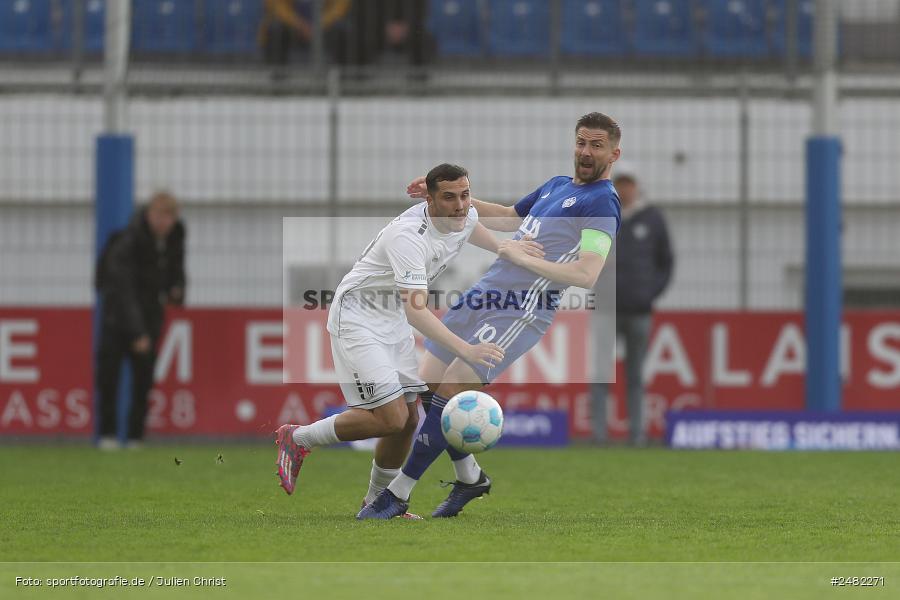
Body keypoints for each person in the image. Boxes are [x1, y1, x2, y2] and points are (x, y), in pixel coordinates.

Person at [358, 112, 622, 519]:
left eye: (597, 145)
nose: (586, 152)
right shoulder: (558, 185)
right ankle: (470, 476)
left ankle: (397, 494)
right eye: (581, 142)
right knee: (429, 387)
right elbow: (508, 216)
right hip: (484, 293)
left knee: (448, 394)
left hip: (520, 309)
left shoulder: (602, 201)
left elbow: (586, 274)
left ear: (614, 153)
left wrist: (523, 258)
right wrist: (442, 194)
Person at [274, 164, 544, 517]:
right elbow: (418, 312)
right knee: (389, 418)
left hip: (392, 320)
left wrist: (503, 248)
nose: (461, 205)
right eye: (449, 198)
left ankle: (377, 502)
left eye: (464, 195)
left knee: (408, 421)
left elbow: (470, 225)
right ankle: (298, 438)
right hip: (359, 319)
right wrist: (466, 350)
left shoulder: (461, 213)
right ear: (429, 200)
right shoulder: (408, 237)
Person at [95, 191, 186, 450]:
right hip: (117, 317)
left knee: (143, 380)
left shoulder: (174, 239)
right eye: (159, 215)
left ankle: (136, 437)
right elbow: (122, 291)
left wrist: (177, 290)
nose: (164, 222)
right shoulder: (128, 241)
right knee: (109, 377)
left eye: (169, 216)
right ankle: (108, 436)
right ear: (149, 215)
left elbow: (176, 271)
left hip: (149, 317)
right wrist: (137, 333)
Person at [591, 171, 674, 447]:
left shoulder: (652, 219)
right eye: (620, 184)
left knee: (636, 374)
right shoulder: (601, 215)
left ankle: (637, 435)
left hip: (639, 310)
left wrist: (649, 293)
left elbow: (666, 262)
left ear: (638, 186)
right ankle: (598, 435)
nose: (624, 189)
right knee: (601, 372)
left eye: (629, 184)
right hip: (605, 308)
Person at [259, 0, 353, 66]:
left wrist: (319, 25)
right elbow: (276, 5)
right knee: (275, 29)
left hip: (324, 28)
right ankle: (277, 84)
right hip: (292, 29)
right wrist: (299, 24)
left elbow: (340, 6)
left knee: (343, 30)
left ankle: (344, 83)